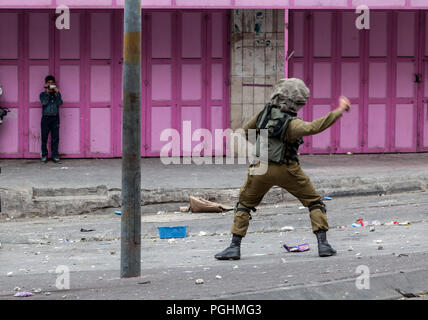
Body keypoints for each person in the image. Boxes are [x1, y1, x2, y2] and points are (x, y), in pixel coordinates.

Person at [215, 78, 351, 260]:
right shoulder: (292, 125)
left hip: (261, 169)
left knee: (244, 205)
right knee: (314, 202)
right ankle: (323, 245)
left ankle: (234, 247)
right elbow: (314, 127)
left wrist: (265, 143)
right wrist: (339, 110)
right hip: (289, 170)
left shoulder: (264, 114)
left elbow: (246, 131)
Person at [40, 75, 63, 164]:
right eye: (48, 83)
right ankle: (44, 156)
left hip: (55, 118)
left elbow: (60, 103)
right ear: (45, 84)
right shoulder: (42, 94)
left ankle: (55, 156)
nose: (50, 85)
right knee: (44, 138)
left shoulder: (57, 93)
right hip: (45, 118)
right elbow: (44, 102)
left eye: (52, 83)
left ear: (54, 84)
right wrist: (47, 92)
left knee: (55, 138)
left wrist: (57, 93)